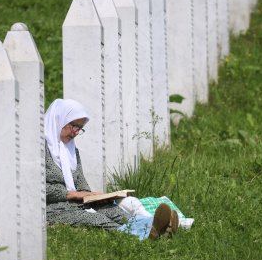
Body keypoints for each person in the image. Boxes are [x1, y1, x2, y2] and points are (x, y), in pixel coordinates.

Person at [44, 98, 178, 240]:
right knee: (96, 219)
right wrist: (72, 195)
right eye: (74, 126)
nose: (76, 132)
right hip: (55, 208)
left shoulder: (71, 150)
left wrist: (93, 197)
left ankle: (155, 225)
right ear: (59, 119)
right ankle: (144, 234)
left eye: (79, 128)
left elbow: (80, 182)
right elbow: (39, 189)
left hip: (76, 203)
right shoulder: (41, 150)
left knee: (113, 211)